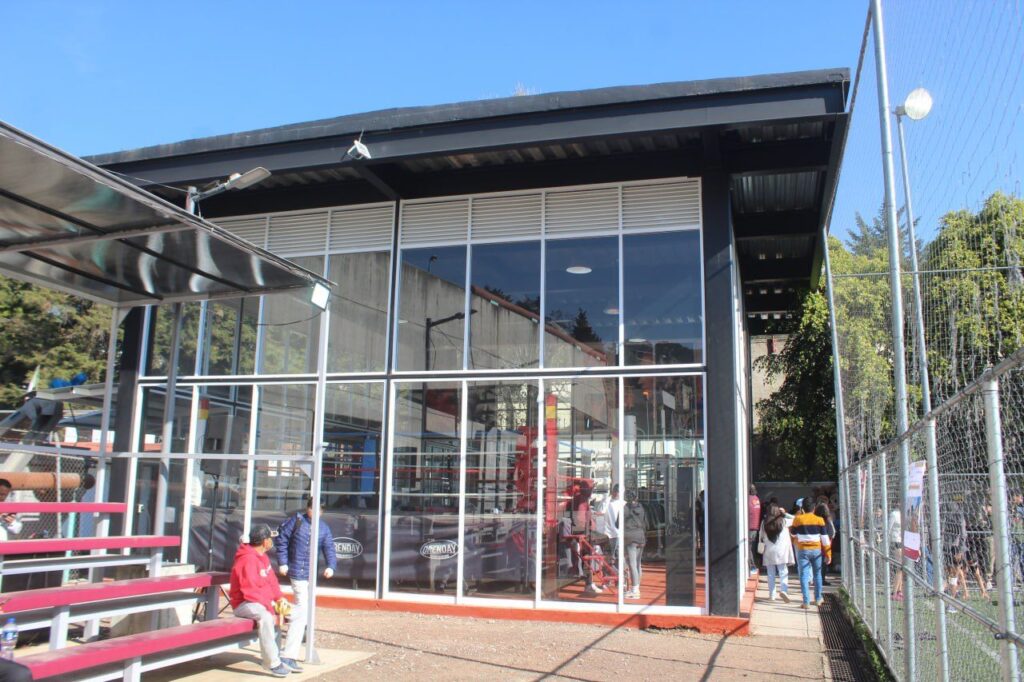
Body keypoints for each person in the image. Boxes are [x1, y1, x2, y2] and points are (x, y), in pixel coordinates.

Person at [277, 499, 337, 668]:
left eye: (318, 509)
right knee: (302, 608)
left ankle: (284, 613)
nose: (314, 511)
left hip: (311, 574)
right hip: (297, 572)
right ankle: (289, 653)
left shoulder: (323, 528)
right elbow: (282, 540)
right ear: (307, 508)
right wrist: (283, 562)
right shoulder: (297, 521)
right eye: (312, 508)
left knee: (303, 608)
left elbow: (329, 547)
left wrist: (331, 566)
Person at [229, 524, 293, 677]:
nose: (272, 541)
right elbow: (250, 591)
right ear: (265, 541)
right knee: (266, 617)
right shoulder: (247, 559)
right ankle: (272, 663)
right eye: (270, 538)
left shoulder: (262, 557)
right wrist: (270, 606)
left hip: (260, 602)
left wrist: (279, 599)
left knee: (297, 613)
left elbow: (272, 582)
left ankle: (288, 657)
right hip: (244, 604)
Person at [792, 497, 831, 609]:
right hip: (816, 551)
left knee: (804, 575)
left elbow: (793, 534)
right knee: (817, 574)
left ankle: (806, 602)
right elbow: (825, 539)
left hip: (803, 551)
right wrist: (828, 554)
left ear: (802, 508)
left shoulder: (798, 519)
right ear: (814, 508)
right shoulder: (820, 520)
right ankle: (818, 599)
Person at [759, 502, 794, 602]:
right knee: (783, 571)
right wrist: (785, 514)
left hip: (769, 550)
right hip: (782, 551)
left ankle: (772, 595)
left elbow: (761, 536)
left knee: (770, 573)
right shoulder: (783, 521)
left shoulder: (764, 522)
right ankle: (784, 590)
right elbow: (796, 519)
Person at [622, 489, 647, 599]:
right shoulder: (641, 508)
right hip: (640, 536)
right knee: (638, 564)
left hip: (630, 537)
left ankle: (635, 590)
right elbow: (645, 522)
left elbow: (618, 523)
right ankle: (636, 587)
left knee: (632, 564)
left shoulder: (625, 508)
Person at [814, 501, 836, 585]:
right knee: (823, 562)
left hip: (815, 542)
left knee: (815, 562)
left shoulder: (814, 519)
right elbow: (832, 532)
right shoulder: (828, 520)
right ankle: (821, 579)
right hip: (825, 543)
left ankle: (815, 579)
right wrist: (829, 538)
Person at [601, 484, 625, 560]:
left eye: (619, 492)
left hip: (618, 532)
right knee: (611, 555)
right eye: (616, 492)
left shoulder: (623, 503)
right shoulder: (607, 502)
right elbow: (601, 511)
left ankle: (618, 566)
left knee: (617, 554)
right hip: (608, 532)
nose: (617, 494)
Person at [747, 484, 761, 575]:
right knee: (752, 548)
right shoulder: (756, 499)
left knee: (748, 548)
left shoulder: (748, 499)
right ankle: (754, 565)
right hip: (755, 527)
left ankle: (752, 566)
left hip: (749, 527)